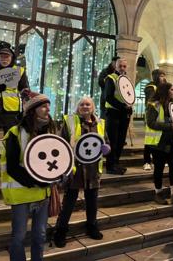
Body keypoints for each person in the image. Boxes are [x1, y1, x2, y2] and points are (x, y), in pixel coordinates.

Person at [0, 91, 54, 261]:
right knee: (18, 237)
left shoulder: (50, 131)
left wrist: (59, 176)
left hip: (42, 194)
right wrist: (37, 181)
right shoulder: (15, 133)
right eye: (43, 106)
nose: (48, 109)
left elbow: (57, 160)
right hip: (21, 194)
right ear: (33, 110)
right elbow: (13, 167)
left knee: (40, 236)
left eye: (48, 106)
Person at [53, 97, 108, 248]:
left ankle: (92, 226)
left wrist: (106, 148)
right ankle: (61, 230)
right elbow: (62, 143)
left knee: (92, 202)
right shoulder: (70, 121)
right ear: (78, 107)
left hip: (93, 169)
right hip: (75, 169)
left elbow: (105, 142)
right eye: (82, 104)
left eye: (88, 104)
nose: (85, 106)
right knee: (69, 203)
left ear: (93, 107)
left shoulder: (101, 123)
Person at [146, 82, 173, 204]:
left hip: (171, 141)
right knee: (159, 169)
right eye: (171, 89)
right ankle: (158, 194)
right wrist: (169, 126)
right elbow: (151, 123)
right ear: (165, 91)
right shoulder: (154, 104)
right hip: (158, 142)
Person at [0, 45, 29, 149]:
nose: (4, 59)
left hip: (11, 111)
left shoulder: (19, 71)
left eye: (7, 56)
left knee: (10, 141)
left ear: (12, 58)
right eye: (2, 56)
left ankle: (9, 163)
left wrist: (26, 97)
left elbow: (24, 88)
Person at [104, 58, 132, 175]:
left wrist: (129, 108)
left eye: (124, 66)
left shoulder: (126, 79)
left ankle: (116, 163)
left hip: (123, 114)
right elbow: (108, 97)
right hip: (113, 112)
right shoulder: (111, 78)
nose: (122, 68)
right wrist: (123, 106)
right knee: (113, 140)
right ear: (115, 67)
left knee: (120, 141)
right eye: (120, 66)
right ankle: (110, 166)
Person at [143, 69, 167, 171]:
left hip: (161, 115)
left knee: (160, 139)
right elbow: (152, 100)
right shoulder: (151, 87)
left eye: (164, 75)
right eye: (161, 75)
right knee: (149, 140)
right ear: (156, 76)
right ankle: (147, 161)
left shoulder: (162, 87)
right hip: (152, 115)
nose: (163, 78)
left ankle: (159, 159)